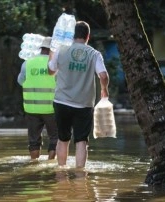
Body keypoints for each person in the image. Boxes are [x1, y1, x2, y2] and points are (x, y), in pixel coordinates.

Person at [48, 21, 110, 168]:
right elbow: (103, 75)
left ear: (72, 35)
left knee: (63, 139)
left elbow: (51, 71)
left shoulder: (61, 50)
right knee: (81, 141)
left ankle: (61, 174)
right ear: (88, 36)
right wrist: (104, 89)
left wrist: (53, 53)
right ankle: (80, 176)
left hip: (61, 102)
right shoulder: (94, 54)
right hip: (84, 105)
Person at [17, 36, 58, 160]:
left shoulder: (27, 62)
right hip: (52, 109)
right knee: (55, 137)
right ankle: (51, 163)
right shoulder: (56, 64)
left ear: (41, 48)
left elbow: (20, 81)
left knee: (33, 140)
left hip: (32, 108)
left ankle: (34, 163)